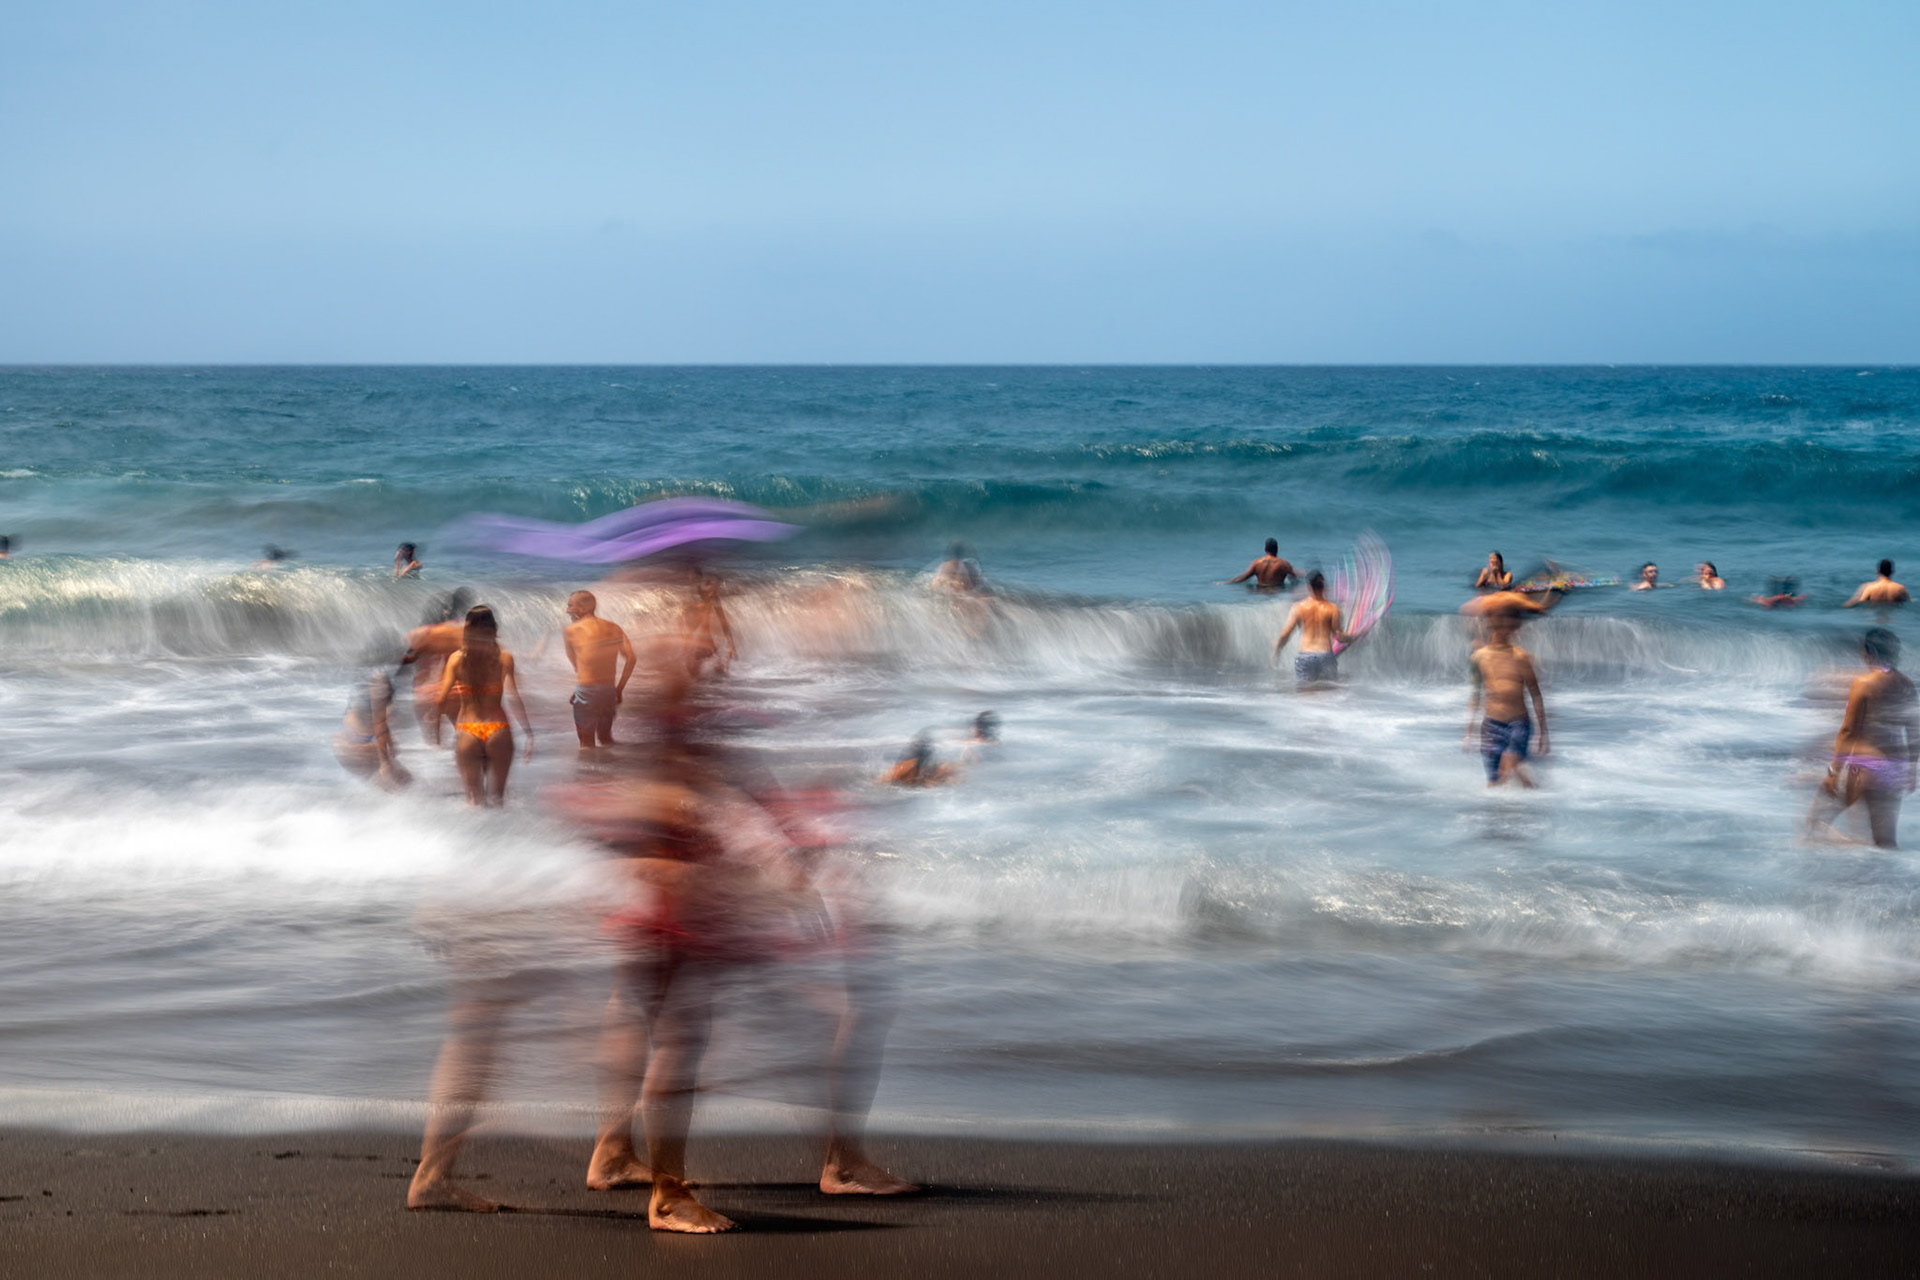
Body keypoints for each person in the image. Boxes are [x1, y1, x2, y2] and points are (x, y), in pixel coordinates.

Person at [1805, 628, 1918, 849]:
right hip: (1894, 770)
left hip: (1865, 767)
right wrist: (1912, 771)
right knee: (1885, 843)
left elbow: (1849, 731)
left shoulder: (1863, 684)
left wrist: (1833, 773)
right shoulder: (1907, 685)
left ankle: (1826, 870)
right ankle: (1893, 881)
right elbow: (1914, 730)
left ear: (1868, 652)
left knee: (1815, 822)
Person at [434, 605, 533, 806]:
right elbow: (514, 696)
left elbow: (440, 700)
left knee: (473, 802)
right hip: (498, 729)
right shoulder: (504, 657)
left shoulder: (456, 659)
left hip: (468, 730)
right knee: (498, 800)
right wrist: (529, 733)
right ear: (494, 628)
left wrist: (436, 731)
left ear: (467, 629)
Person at [1465, 614, 1549, 787]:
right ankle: (1523, 802)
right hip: (1491, 727)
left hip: (1517, 724)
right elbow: (1475, 694)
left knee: (1508, 764)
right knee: (1494, 782)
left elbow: (1536, 694)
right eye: (1498, 627)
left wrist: (1543, 733)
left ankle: (1538, 800)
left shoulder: (1520, 657)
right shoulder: (1479, 657)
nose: (1505, 631)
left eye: (1508, 628)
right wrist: (1468, 731)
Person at [333, 637, 412, 791]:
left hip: (348, 741)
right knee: (402, 787)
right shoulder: (379, 679)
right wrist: (385, 763)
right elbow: (380, 723)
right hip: (361, 744)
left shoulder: (364, 674)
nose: (403, 654)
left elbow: (358, 712)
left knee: (400, 785)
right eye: (399, 651)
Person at [564, 589, 636, 749]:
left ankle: (589, 773)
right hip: (608, 691)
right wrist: (619, 690)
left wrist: (582, 689)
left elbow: (579, 666)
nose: (567, 610)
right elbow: (631, 658)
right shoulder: (614, 628)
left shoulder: (571, 631)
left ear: (582, 608)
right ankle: (613, 770)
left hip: (586, 692)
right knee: (605, 739)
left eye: (570, 606)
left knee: (586, 744)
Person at [400, 590, 474, 745]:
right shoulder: (459, 631)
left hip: (425, 694)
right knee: (463, 738)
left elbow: (402, 662)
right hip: (454, 691)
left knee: (433, 745)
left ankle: (439, 765)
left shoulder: (421, 634)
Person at [1272, 571, 1352, 684]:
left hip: (1305, 656)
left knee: (1306, 694)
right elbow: (1339, 637)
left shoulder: (1298, 607)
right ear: (1323, 586)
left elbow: (1286, 634)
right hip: (1325, 656)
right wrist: (1354, 637)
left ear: (1309, 586)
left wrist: (1277, 650)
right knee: (1329, 693)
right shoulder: (1332, 608)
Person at [1221, 539, 1297, 592]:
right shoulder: (1284, 564)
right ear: (1277, 549)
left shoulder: (1256, 563)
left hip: (1260, 593)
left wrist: (1227, 582)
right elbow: (1294, 580)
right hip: (1276, 593)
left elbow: (1244, 577)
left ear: (1265, 549)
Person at [1844, 560, 1909, 608]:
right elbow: (1908, 602)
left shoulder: (1869, 587)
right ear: (1892, 572)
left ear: (1878, 570)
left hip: (1873, 619)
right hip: (1893, 621)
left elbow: (1857, 602)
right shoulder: (1901, 588)